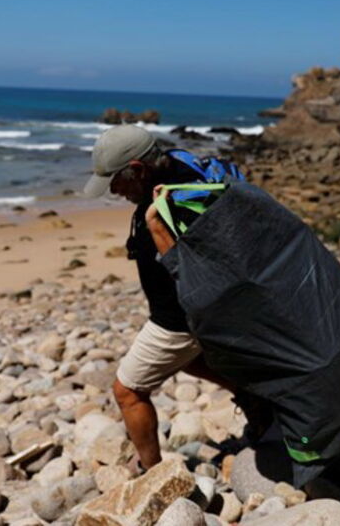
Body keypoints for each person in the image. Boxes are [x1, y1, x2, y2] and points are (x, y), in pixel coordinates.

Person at [83, 124, 258, 471]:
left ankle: (152, 470)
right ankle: (253, 397)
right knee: (190, 360)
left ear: (137, 169)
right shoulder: (183, 167)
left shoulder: (166, 208)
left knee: (127, 391)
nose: (114, 192)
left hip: (179, 318)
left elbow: (184, 268)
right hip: (210, 308)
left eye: (115, 182)